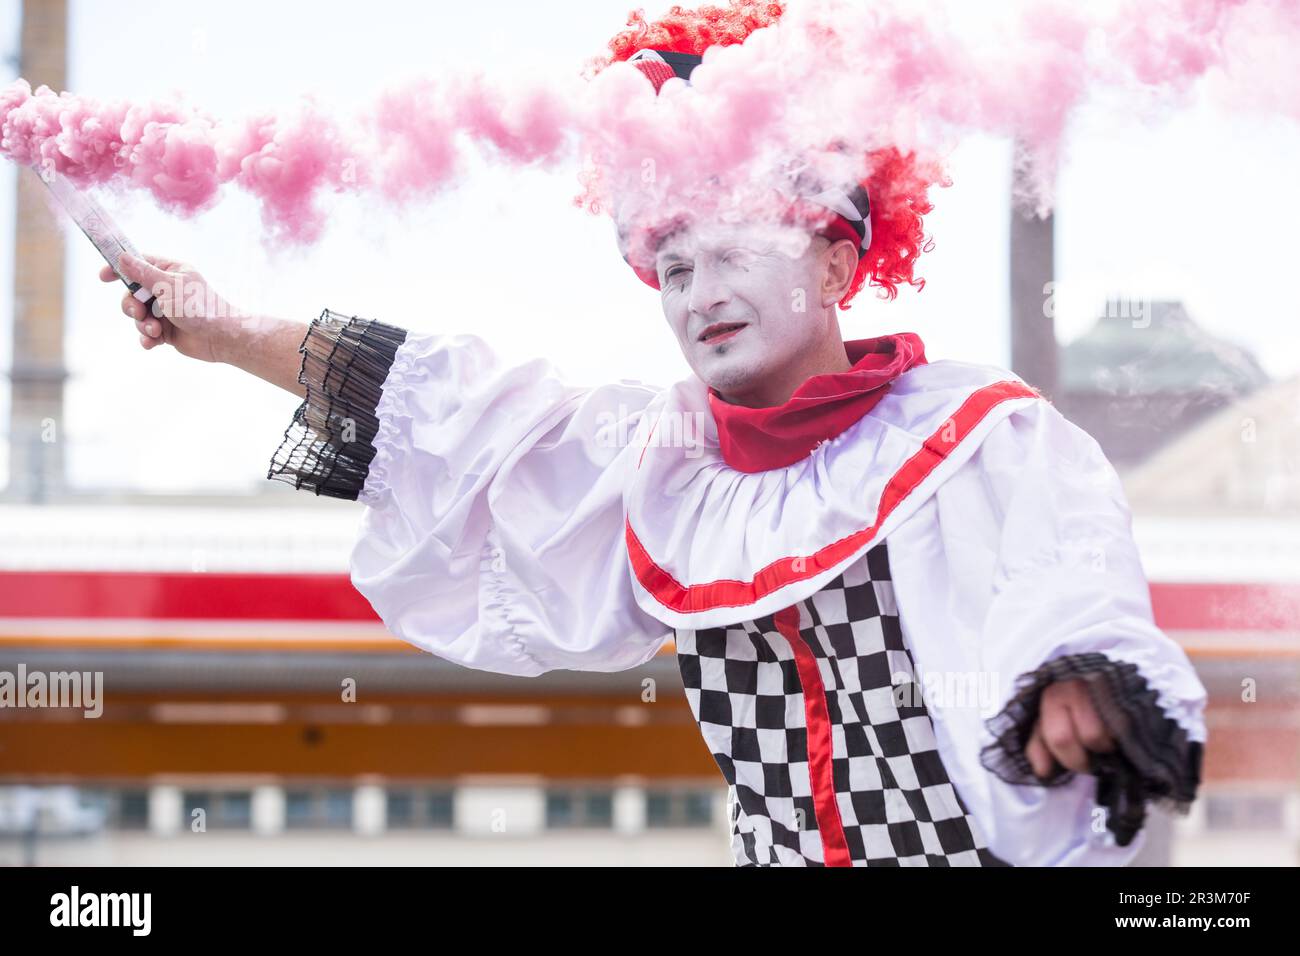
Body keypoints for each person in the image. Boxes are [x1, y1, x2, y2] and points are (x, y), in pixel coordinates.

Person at [100, 1, 1204, 867]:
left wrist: (1079, 674)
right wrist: (225, 325)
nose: (698, 294)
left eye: (732, 251)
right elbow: (443, 412)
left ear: (836, 261)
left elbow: (1068, 569)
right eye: (672, 267)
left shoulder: (979, 434)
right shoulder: (659, 457)